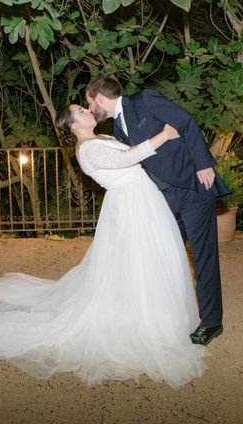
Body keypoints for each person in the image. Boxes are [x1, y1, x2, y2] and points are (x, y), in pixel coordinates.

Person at [0, 104, 208, 389]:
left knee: (152, 259)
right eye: (80, 110)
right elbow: (129, 158)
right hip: (131, 207)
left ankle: (159, 315)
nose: (87, 109)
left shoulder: (100, 139)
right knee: (139, 261)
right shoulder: (87, 150)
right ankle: (143, 320)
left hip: (143, 199)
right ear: (72, 126)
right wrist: (164, 135)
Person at [85, 77, 230, 347]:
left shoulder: (145, 100)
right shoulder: (117, 128)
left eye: (89, 103)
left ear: (99, 97)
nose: (91, 109)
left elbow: (184, 121)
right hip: (165, 199)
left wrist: (203, 165)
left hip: (193, 188)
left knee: (203, 258)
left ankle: (212, 322)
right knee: (166, 256)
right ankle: (167, 316)